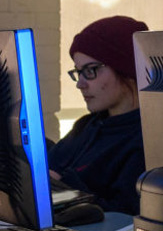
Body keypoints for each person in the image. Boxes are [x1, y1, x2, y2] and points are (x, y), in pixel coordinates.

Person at [48, 15, 149, 215]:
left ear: (127, 68)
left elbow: (123, 215)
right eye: (78, 72)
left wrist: (63, 187)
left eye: (91, 70)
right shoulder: (86, 126)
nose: (80, 84)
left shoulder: (146, 141)